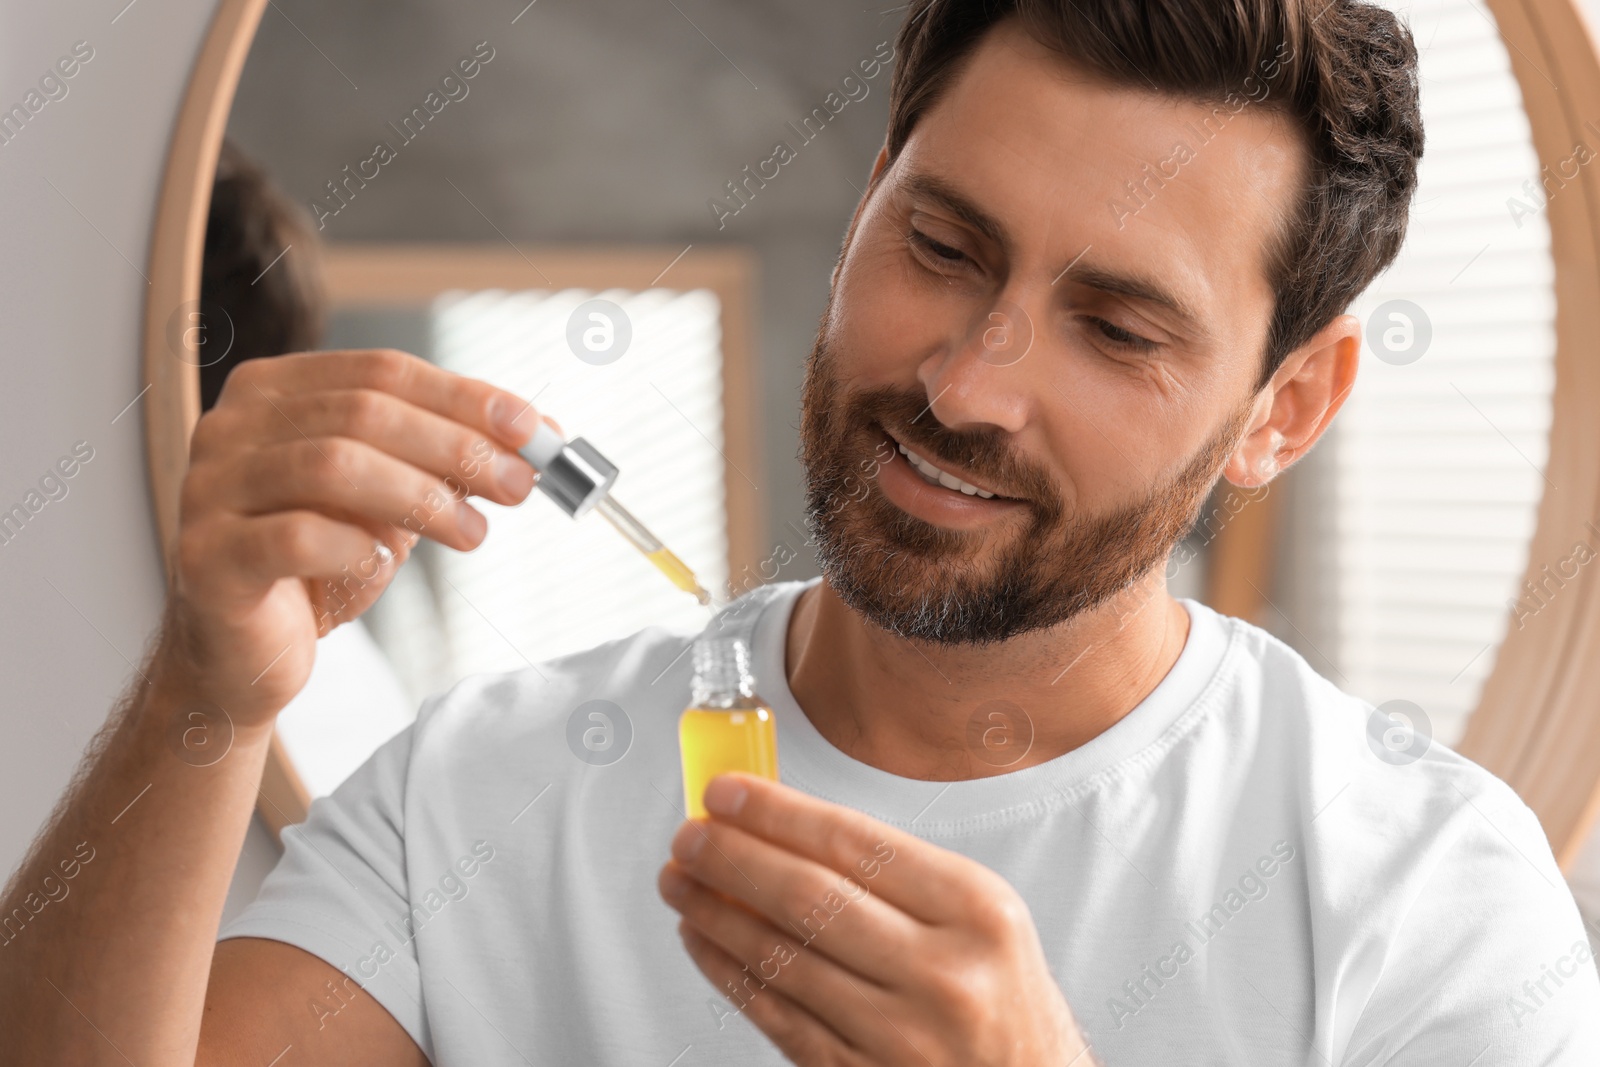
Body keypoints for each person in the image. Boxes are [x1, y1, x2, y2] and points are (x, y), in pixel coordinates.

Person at [4, 1, 1596, 1064]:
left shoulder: (1423, 897)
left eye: (1117, 331)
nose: (969, 386)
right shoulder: (478, 795)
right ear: (861, 213)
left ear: (1288, 406)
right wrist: (203, 691)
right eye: (944, 243)